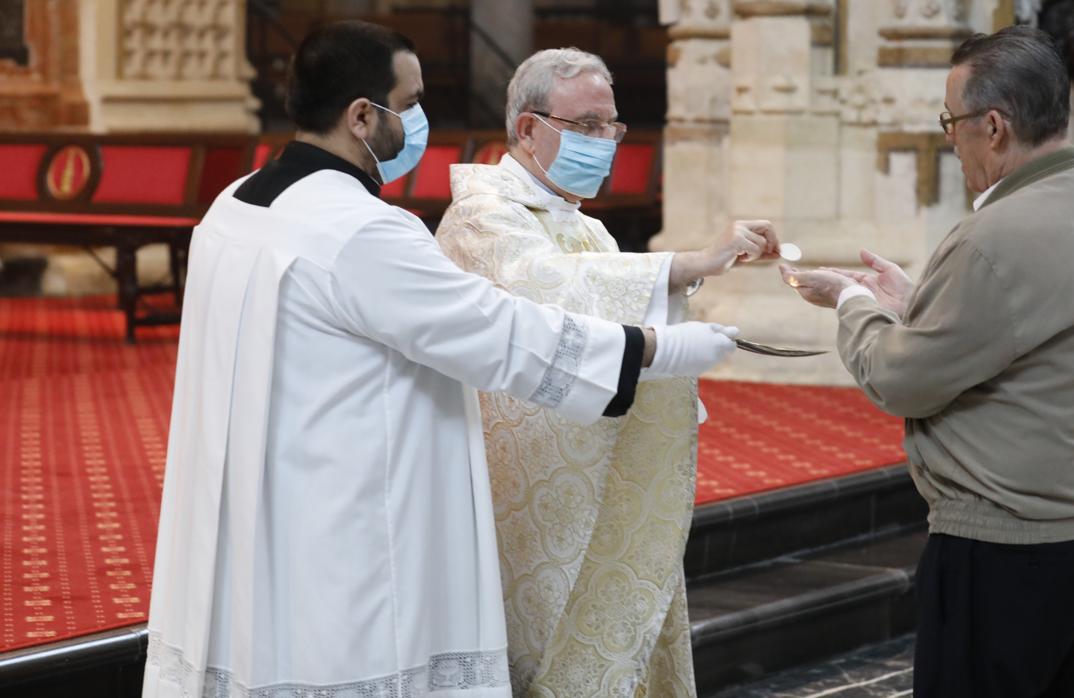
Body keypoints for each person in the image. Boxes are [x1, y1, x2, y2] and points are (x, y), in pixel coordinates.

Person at [142, 21, 739, 698]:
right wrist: (655, 347)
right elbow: (499, 335)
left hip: (261, 493)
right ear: (362, 116)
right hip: (348, 515)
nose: (421, 120)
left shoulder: (236, 203)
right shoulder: (362, 230)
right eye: (412, 101)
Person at [781, 26, 1074, 698]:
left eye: (950, 120)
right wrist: (915, 302)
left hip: (1009, 555)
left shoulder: (993, 236)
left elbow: (899, 381)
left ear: (993, 125)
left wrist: (851, 304)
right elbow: (1025, 336)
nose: (947, 138)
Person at [436, 47, 777, 697]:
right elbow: (552, 295)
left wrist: (689, 283)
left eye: (611, 127)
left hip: (597, 467)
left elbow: (607, 296)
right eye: (585, 125)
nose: (603, 142)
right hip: (524, 484)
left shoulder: (583, 227)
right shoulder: (483, 214)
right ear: (528, 128)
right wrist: (692, 263)